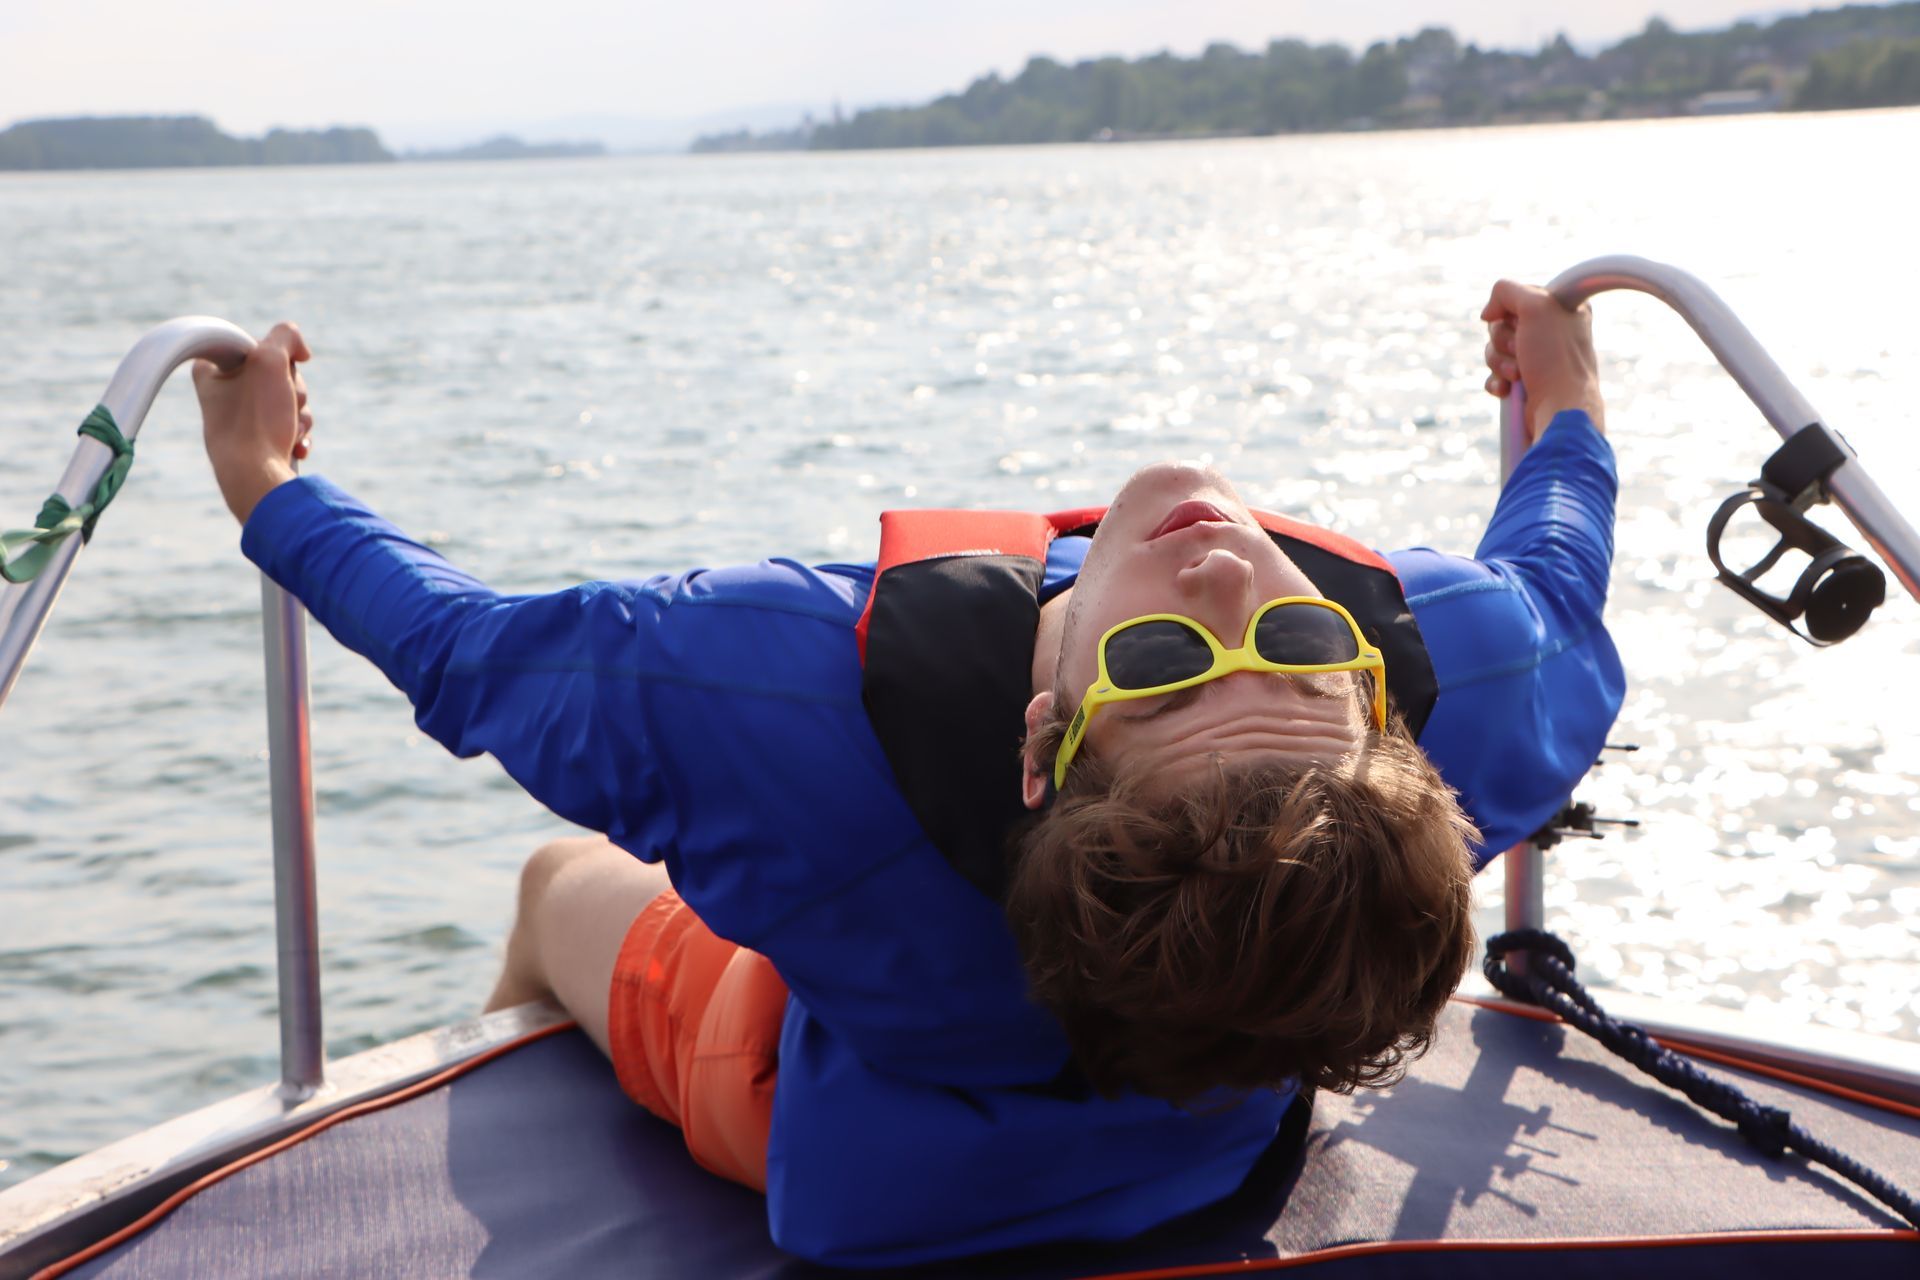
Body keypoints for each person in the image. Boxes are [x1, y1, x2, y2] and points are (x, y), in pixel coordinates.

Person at [193, 280, 1622, 1268]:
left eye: (1165, 666)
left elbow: (468, 652)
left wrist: (268, 485)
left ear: (1039, 740)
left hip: (877, 1180)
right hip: (1225, 1135)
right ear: (1387, 729)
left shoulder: (761, 698)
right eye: (1301, 646)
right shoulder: (1465, 695)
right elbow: (1556, 582)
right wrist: (1570, 405)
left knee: (557, 879)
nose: (1231, 574)